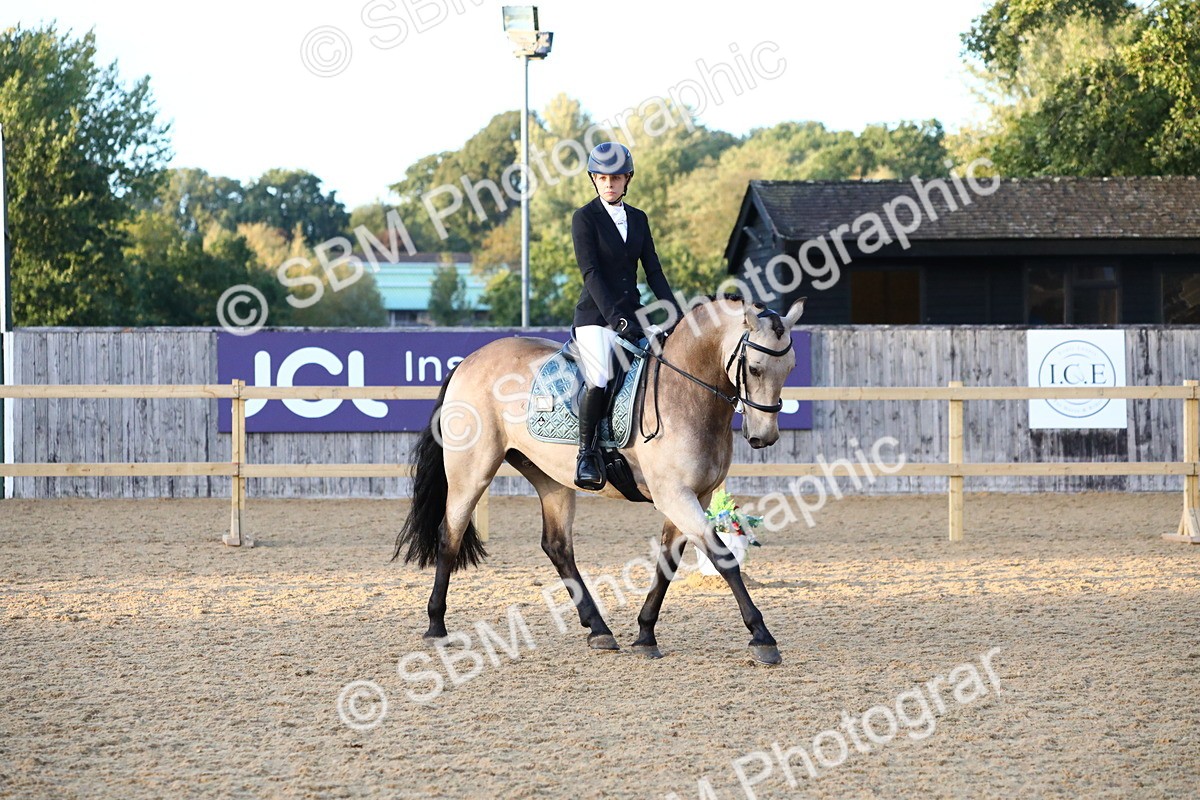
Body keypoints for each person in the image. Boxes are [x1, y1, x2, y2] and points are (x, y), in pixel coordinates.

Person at [570, 141, 681, 490]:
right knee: (601, 375)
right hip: (595, 316)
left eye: (616, 178)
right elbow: (591, 274)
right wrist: (616, 319)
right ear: (594, 179)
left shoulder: (639, 218)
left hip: (635, 314)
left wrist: (675, 313)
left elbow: (654, 271)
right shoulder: (584, 218)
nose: (609, 184)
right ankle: (586, 454)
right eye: (602, 178)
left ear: (627, 179)